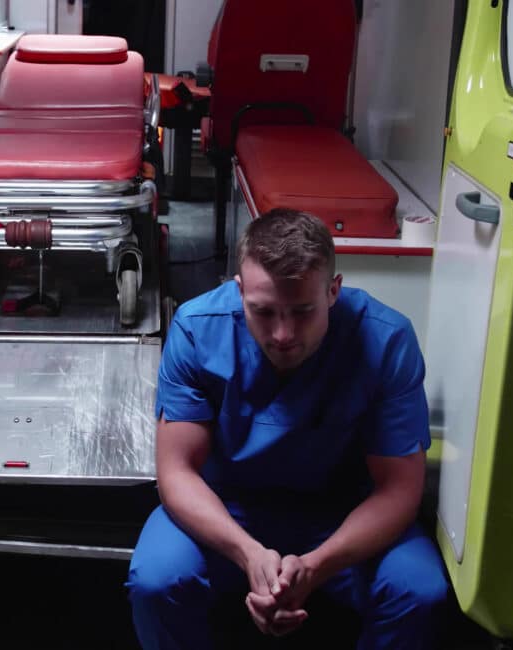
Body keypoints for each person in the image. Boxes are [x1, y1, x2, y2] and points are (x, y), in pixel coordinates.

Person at [127, 208, 449, 649]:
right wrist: (248, 552)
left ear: (333, 291)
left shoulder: (386, 339)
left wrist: (317, 566)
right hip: (229, 509)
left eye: (302, 311)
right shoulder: (198, 329)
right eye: (263, 312)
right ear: (239, 292)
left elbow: (399, 489)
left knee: (418, 590)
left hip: (342, 516)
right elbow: (177, 472)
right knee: (156, 580)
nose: (283, 334)